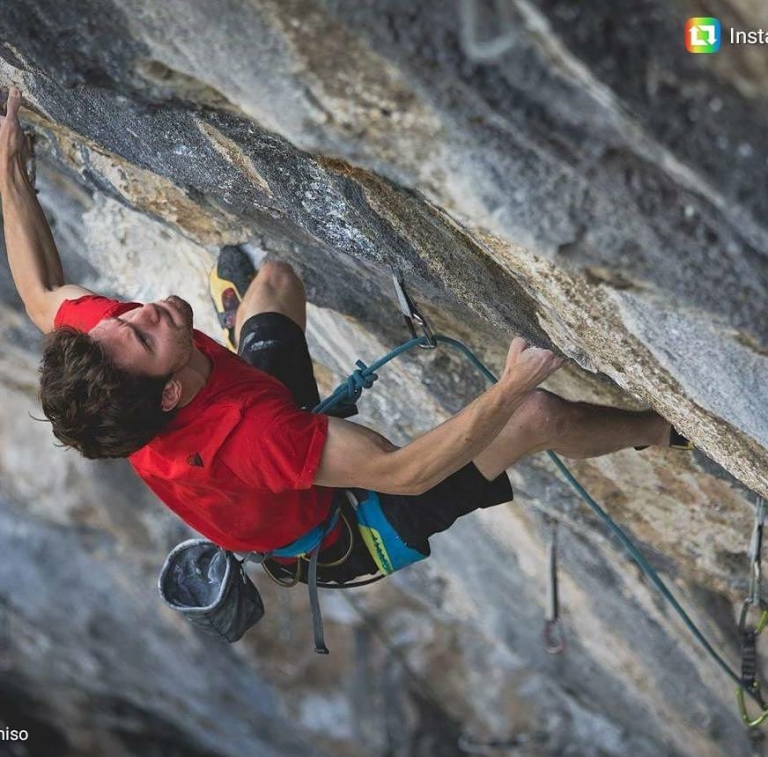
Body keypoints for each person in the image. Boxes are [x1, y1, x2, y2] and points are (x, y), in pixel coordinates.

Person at [0, 86, 687, 583]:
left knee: (274, 283)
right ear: (173, 390)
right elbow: (404, 472)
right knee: (537, 415)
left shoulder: (107, 352)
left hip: (253, 424)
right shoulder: (255, 438)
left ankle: (245, 319)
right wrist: (508, 388)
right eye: (147, 334)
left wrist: (9, 173)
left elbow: (37, 293)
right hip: (342, 530)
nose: (144, 310)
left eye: (126, 319)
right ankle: (664, 431)